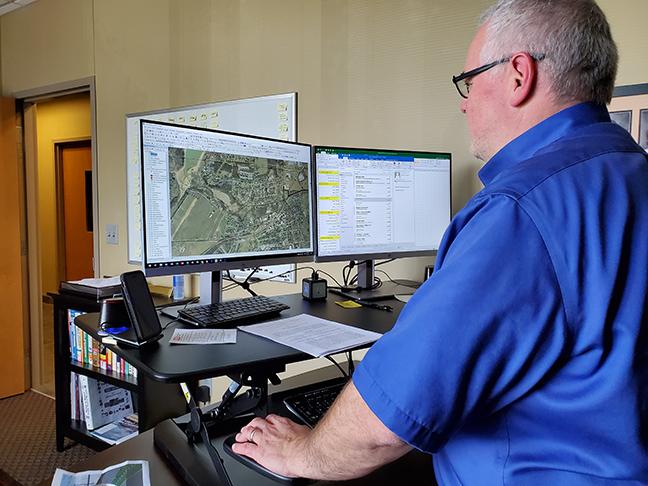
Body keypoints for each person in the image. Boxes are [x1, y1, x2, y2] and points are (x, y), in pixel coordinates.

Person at [233, 0, 648, 483]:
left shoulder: (520, 211)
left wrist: (304, 451)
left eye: (469, 80)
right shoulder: (632, 174)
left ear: (519, 75)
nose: (464, 101)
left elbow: (385, 423)